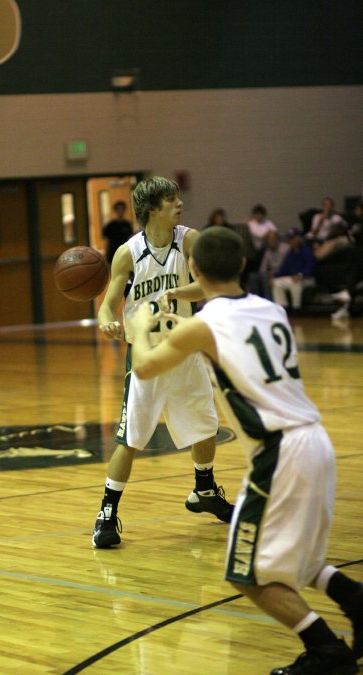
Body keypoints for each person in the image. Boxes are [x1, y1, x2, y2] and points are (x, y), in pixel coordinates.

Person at [130, 226, 362, 675]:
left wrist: (142, 328)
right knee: (306, 559)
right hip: (316, 440)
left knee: (247, 574)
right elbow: (236, 345)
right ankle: (358, 603)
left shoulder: (205, 327)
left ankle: (327, 653)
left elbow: (144, 366)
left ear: (193, 268)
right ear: (242, 265)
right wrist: (188, 332)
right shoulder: (272, 309)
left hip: (280, 453)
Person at [92, 177, 233, 548]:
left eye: (178, 198)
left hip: (185, 348)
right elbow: (109, 301)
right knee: (131, 438)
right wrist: (108, 320)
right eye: (171, 200)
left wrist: (176, 292)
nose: (179, 204)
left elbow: (211, 286)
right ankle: (107, 513)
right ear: (153, 208)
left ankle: (204, 490)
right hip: (146, 355)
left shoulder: (190, 240)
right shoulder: (128, 252)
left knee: (205, 427)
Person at [272, 228, 316, 313]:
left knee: (295, 283)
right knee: (276, 283)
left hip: (307, 279)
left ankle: (297, 308)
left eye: (292, 238)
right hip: (292, 278)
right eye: (289, 238)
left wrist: (300, 275)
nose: (290, 241)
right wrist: (275, 276)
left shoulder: (306, 251)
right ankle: (282, 308)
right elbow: (284, 268)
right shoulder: (290, 253)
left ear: (299, 238)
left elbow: (310, 267)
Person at [247, 230, 289, 300]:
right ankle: (256, 301)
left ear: (277, 239)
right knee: (253, 276)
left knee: (265, 277)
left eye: (273, 239)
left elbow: (287, 265)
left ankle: (269, 301)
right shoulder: (267, 251)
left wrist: (272, 274)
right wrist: (266, 274)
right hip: (271, 273)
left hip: (282, 272)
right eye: (268, 240)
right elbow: (262, 268)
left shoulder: (286, 248)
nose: (271, 242)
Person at [101, 200, 133, 265]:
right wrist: (106, 254)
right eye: (119, 209)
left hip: (124, 252)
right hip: (112, 251)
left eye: (122, 209)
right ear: (116, 211)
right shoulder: (110, 225)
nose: (120, 211)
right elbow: (107, 241)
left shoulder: (127, 225)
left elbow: (130, 239)